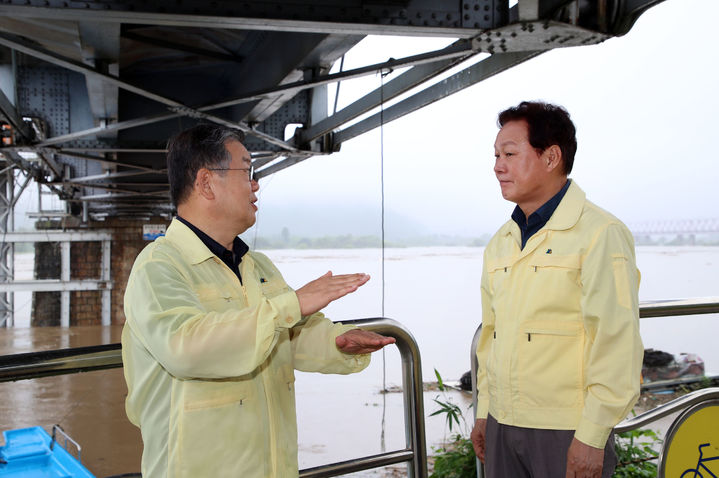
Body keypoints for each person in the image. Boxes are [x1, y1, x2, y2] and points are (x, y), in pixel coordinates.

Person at [121, 124, 395, 478]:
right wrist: (292, 303)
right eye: (247, 170)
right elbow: (184, 347)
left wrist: (337, 343)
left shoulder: (257, 265)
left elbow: (284, 337)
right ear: (206, 183)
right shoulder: (159, 266)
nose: (256, 184)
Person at [470, 101, 643, 478]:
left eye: (510, 154)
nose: (498, 166)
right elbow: (491, 337)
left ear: (551, 157)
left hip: (566, 429)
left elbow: (616, 340)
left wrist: (593, 435)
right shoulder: (500, 242)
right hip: (502, 423)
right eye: (497, 155)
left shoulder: (599, 233)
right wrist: (484, 412)